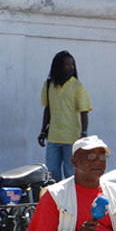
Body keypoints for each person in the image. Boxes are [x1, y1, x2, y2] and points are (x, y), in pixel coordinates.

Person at [37, 50, 92, 181]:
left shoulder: (78, 86)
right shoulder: (49, 85)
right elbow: (48, 109)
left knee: (71, 174)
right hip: (53, 138)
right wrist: (43, 131)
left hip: (72, 138)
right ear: (58, 66)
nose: (70, 68)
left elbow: (84, 111)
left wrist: (84, 133)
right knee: (52, 175)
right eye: (67, 65)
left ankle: (72, 200)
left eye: (72, 65)